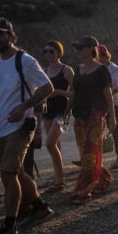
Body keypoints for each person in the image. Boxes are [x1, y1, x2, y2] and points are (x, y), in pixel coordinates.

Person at [0, 18, 55, 234]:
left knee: (7, 173)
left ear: (11, 35)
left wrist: (24, 108)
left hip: (21, 126)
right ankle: (40, 207)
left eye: (1, 34)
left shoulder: (24, 60)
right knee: (14, 172)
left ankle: (10, 228)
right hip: (1, 128)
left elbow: (47, 88)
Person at [64, 36, 117, 201]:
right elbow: (74, 93)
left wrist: (112, 117)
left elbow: (108, 94)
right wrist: (65, 112)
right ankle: (103, 179)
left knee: (89, 153)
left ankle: (84, 190)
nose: (78, 51)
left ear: (91, 48)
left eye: (81, 47)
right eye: (77, 48)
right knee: (85, 153)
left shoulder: (102, 70)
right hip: (79, 115)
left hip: (96, 115)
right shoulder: (78, 69)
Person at [40, 40, 74, 191]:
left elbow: (75, 93)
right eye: (46, 51)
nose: (48, 54)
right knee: (56, 145)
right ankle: (58, 177)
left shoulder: (66, 70)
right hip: (48, 111)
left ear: (59, 53)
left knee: (49, 143)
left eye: (51, 51)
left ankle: (60, 181)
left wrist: (59, 92)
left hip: (62, 111)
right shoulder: (44, 71)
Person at [98, 44, 118, 169]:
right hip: (99, 104)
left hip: (114, 104)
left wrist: (109, 93)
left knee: (114, 130)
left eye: (102, 56)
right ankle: (94, 159)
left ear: (106, 55)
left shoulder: (114, 68)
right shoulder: (97, 68)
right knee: (96, 131)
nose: (100, 58)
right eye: (99, 56)